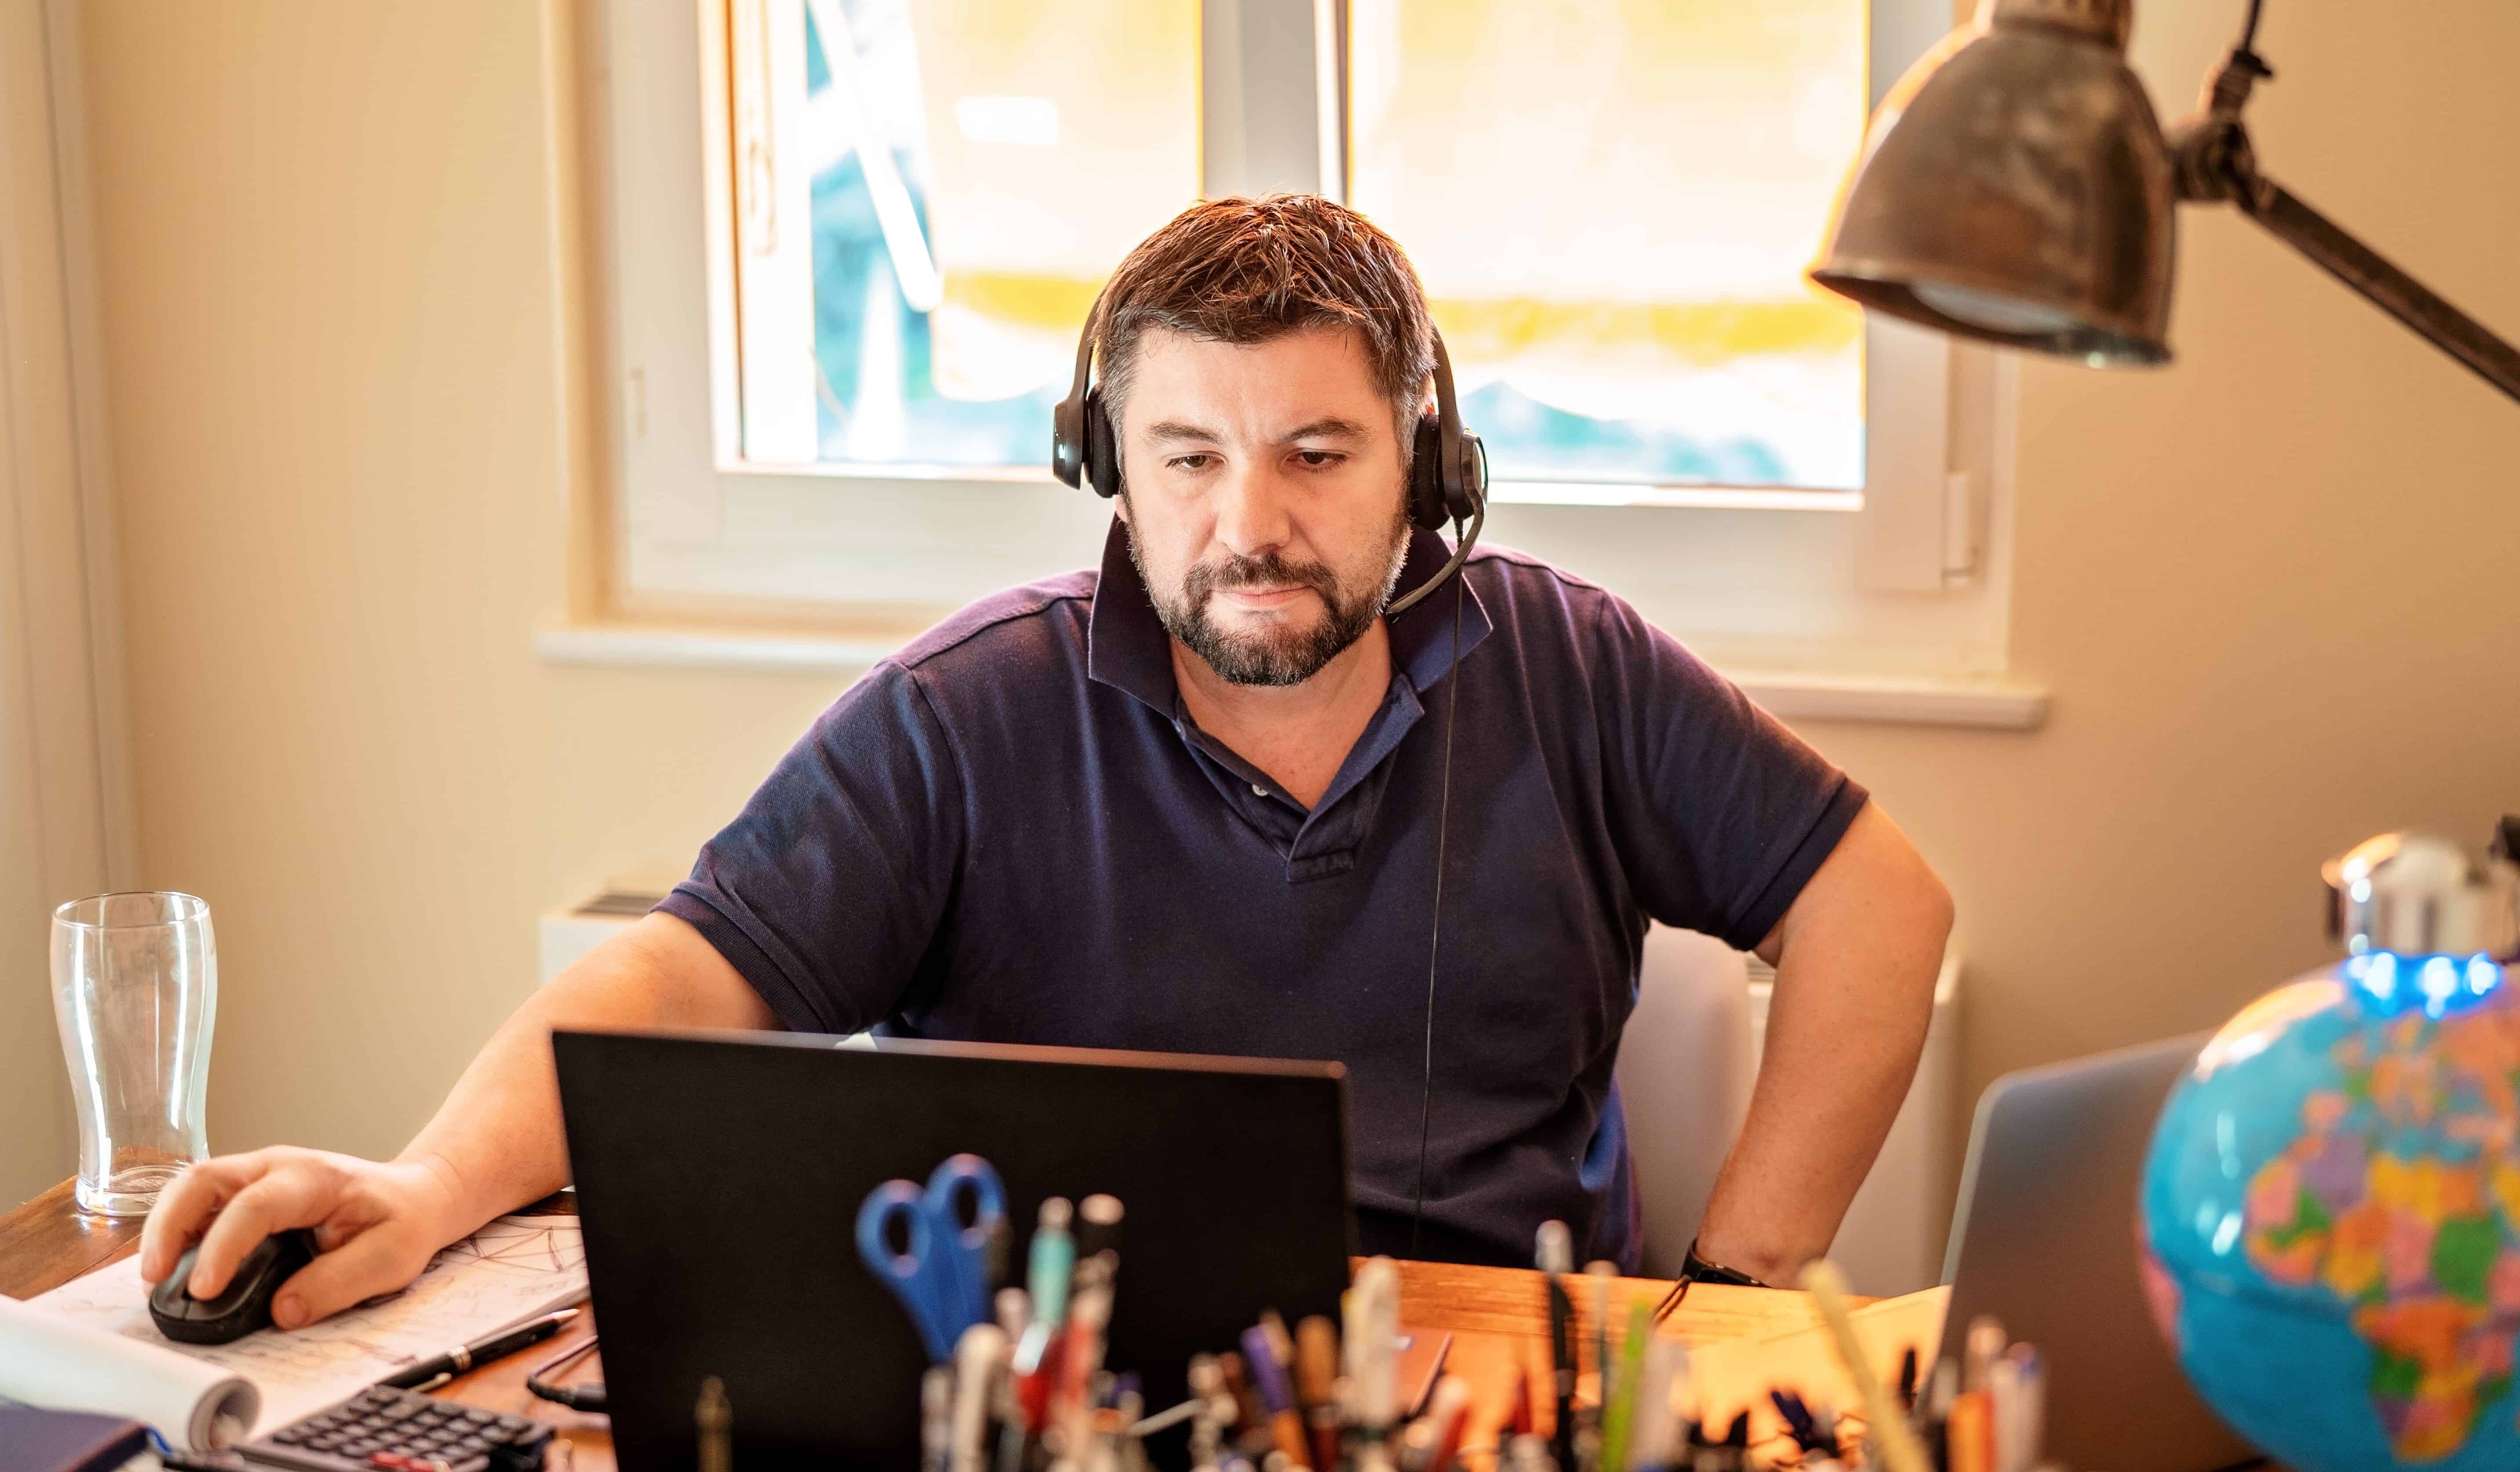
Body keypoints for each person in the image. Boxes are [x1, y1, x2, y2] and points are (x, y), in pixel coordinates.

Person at [141, 196, 1952, 1327]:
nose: (1252, 522)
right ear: (1108, 464)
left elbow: (1880, 901)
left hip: (1483, 1377)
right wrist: (422, 1185)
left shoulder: (1574, 665)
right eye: (1187, 456)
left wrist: (1736, 1288)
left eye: (1318, 452)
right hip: (1055, 1388)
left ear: (1428, 466)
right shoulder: (964, 711)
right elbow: (680, 972)